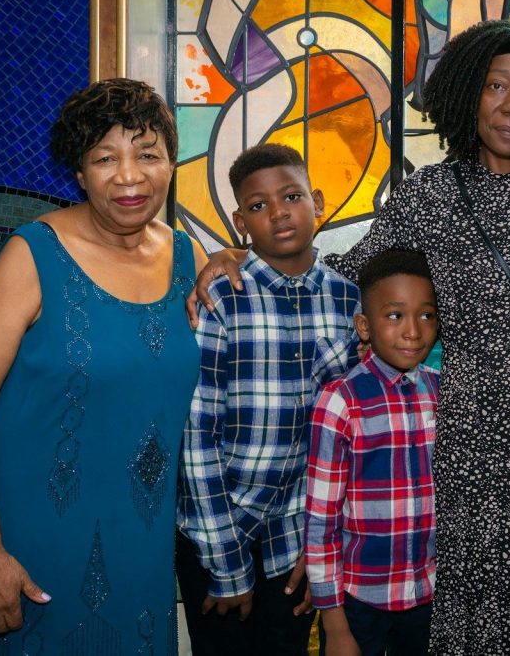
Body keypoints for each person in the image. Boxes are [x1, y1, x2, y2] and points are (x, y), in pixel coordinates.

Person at [192, 20, 510, 654]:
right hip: (463, 447)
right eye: (496, 86)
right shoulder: (431, 195)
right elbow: (347, 280)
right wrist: (234, 255)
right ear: (469, 93)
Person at [0, 78, 205, 653]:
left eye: (148, 155)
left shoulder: (189, 256)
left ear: (170, 161)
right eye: (105, 158)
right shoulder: (31, 255)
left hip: (143, 546)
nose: (130, 176)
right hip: (32, 549)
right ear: (80, 173)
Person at [176, 143, 361, 655]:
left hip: (297, 534)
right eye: (258, 206)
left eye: (292, 196)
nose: (278, 212)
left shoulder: (349, 299)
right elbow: (196, 432)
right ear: (240, 221)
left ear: (317, 203)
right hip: (217, 527)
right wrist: (226, 563)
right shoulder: (222, 298)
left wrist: (320, 545)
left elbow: (346, 435)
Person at [306, 250, 440, 656]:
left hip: (428, 596)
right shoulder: (340, 402)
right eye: (395, 315)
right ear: (364, 326)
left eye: (427, 315)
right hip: (361, 600)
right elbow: (320, 525)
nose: (413, 331)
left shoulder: (441, 392)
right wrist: (335, 622)